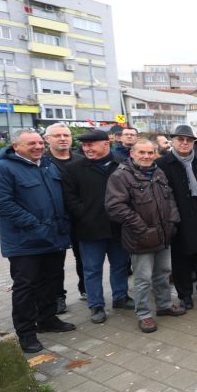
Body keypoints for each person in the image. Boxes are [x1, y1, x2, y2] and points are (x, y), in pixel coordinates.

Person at [0, 129, 75, 353]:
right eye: (30, 144)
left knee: (51, 282)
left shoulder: (46, 165)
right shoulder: (2, 169)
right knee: (26, 288)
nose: (37, 147)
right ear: (16, 147)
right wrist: (34, 223)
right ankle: (26, 333)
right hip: (25, 242)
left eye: (39, 142)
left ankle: (47, 319)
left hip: (53, 238)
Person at [106, 139, 185, 333]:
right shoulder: (121, 176)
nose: (147, 156)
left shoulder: (158, 172)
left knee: (164, 273)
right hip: (140, 238)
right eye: (142, 152)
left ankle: (164, 305)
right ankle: (144, 315)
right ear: (132, 153)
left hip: (164, 234)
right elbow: (115, 207)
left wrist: (173, 220)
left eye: (150, 153)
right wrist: (141, 227)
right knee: (143, 279)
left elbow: (170, 199)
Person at [62, 129, 133, 324]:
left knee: (120, 265)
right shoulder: (73, 168)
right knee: (92, 269)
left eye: (91, 144)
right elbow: (70, 198)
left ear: (105, 144)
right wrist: (84, 214)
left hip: (118, 227)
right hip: (90, 229)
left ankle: (120, 297)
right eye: (84, 145)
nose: (87, 148)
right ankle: (96, 305)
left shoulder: (122, 164)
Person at [156, 125, 197, 308]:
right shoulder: (163, 164)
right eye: (180, 140)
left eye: (188, 140)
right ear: (172, 141)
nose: (184, 143)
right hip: (179, 218)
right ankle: (185, 294)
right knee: (181, 259)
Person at [44, 123, 84, 310]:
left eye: (66, 135)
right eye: (57, 135)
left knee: (83, 256)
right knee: (54, 262)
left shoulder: (80, 159)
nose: (62, 139)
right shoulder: (43, 162)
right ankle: (58, 297)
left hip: (79, 218)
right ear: (47, 139)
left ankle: (85, 289)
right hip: (54, 219)